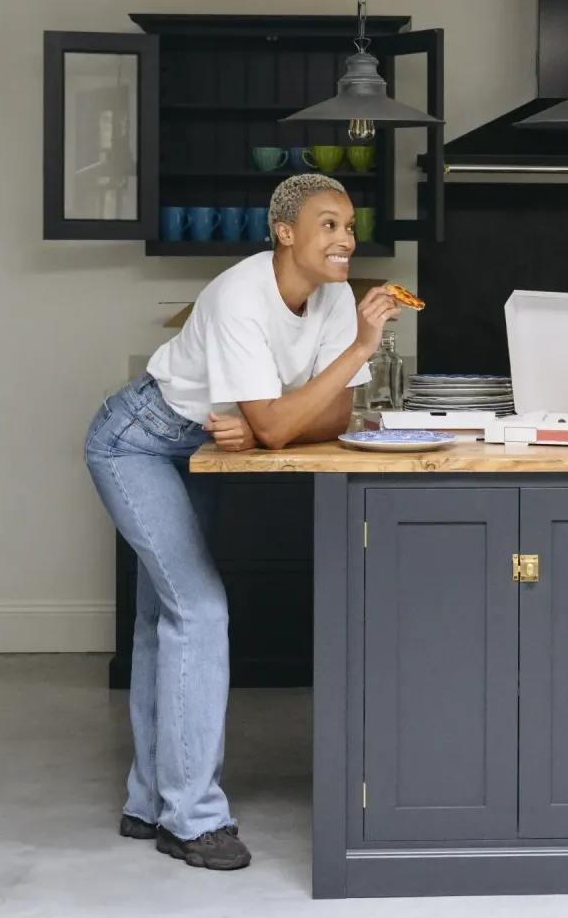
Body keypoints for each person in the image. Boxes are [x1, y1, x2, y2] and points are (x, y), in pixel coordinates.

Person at [83, 174, 405, 871]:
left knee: (161, 620)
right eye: (328, 225)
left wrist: (270, 427)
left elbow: (331, 418)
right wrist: (353, 355)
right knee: (197, 610)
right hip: (135, 439)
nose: (345, 239)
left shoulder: (336, 296)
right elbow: (280, 423)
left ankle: (148, 801)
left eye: (350, 226)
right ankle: (194, 821)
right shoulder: (239, 296)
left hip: (201, 446)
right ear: (284, 233)